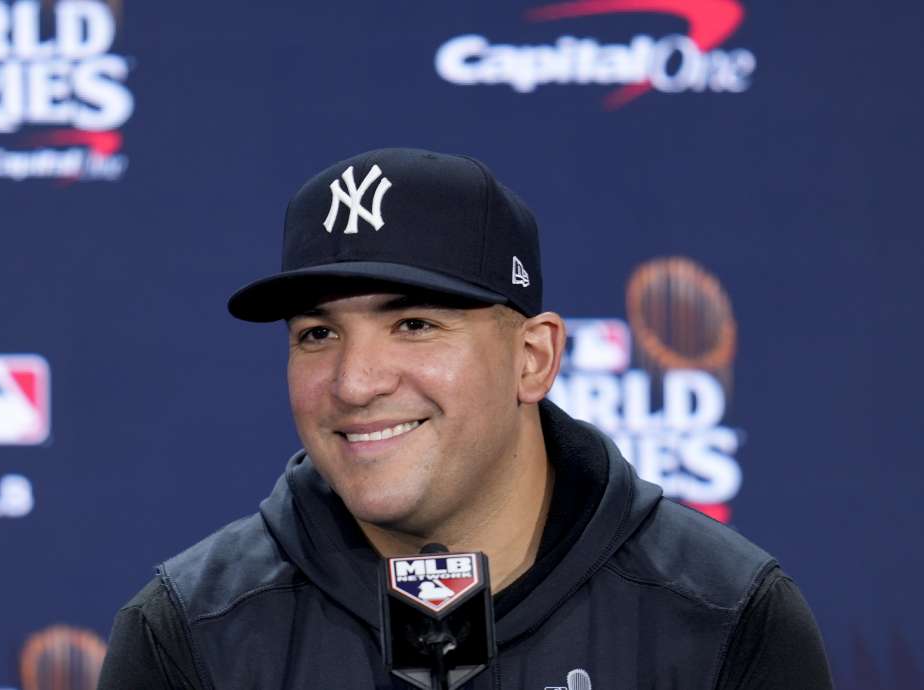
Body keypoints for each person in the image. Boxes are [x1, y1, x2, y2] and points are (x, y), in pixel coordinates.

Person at [97, 148, 833, 689]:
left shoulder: (723, 614)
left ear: (533, 358)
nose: (354, 383)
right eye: (317, 335)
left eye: (414, 324)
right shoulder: (188, 633)